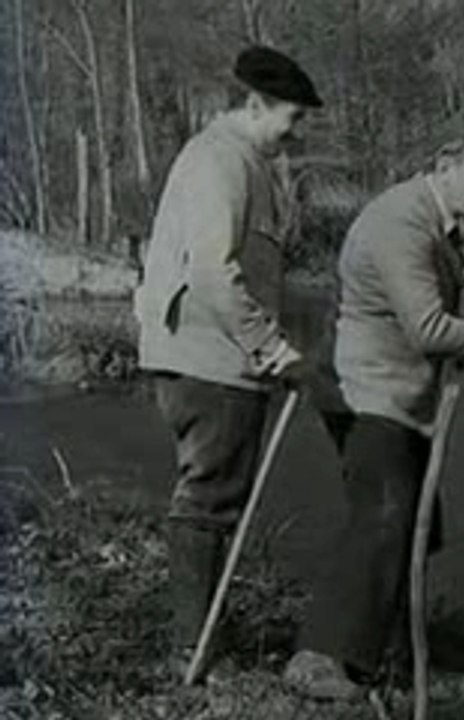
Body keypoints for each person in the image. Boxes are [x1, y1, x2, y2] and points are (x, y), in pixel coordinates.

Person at [284, 115, 464, 698]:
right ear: (444, 165)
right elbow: (427, 328)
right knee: (383, 518)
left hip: (397, 395)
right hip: (366, 393)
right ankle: (318, 658)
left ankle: (388, 654)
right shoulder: (403, 221)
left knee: (412, 529)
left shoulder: (437, 224)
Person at [134, 45, 322, 677]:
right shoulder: (220, 160)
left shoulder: (247, 162)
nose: (296, 133)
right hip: (208, 359)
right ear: (254, 104)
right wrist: (271, 348)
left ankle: (202, 641)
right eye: (291, 119)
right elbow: (214, 274)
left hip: (220, 356)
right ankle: (193, 650)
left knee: (217, 497)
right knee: (207, 498)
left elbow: (254, 272)